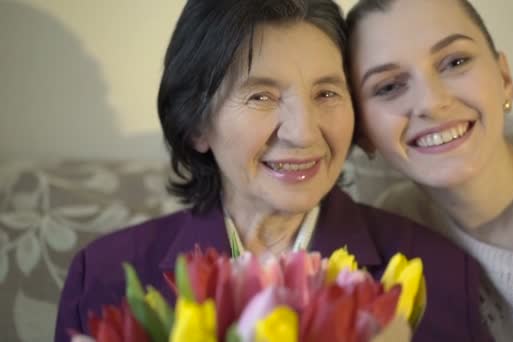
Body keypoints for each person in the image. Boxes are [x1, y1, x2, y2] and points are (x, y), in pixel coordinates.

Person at [54, 0, 488, 341]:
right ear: (196, 124)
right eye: (261, 96)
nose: (303, 133)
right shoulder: (104, 275)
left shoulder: (434, 270)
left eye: (327, 93)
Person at [347, 0, 513, 340]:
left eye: (455, 62)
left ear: (504, 78)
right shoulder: (389, 232)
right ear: (362, 133)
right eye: (389, 86)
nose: (430, 102)